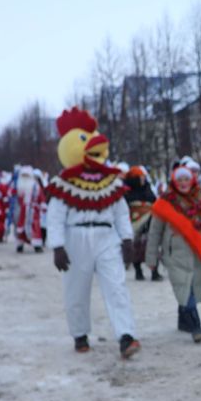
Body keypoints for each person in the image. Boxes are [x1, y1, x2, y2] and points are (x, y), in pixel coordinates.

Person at [46, 107, 140, 358]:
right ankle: (79, 334)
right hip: (75, 239)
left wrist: (127, 239)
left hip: (106, 238)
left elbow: (121, 213)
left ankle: (126, 335)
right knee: (75, 288)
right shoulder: (64, 184)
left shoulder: (111, 181)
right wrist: (57, 246)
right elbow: (54, 217)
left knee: (116, 286)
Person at [145, 167, 201, 343]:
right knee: (184, 288)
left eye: (186, 179)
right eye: (179, 180)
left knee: (192, 288)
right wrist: (151, 259)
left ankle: (183, 321)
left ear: (192, 181)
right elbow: (154, 232)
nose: (183, 183)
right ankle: (196, 326)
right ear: (174, 182)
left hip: (197, 253)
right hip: (174, 256)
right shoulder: (164, 203)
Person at [124, 165, 162, 281]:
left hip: (150, 221)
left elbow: (154, 201)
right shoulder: (127, 192)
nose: (143, 179)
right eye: (140, 177)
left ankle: (154, 271)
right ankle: (138, 270)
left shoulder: (147, 188)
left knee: (152, 245)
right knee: (137, 246)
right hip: (135, 223)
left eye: (143, 177)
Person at [15, 166, 46, 253]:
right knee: (21, 228)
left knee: (35, 228)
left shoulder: (36, 186)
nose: (25, 178)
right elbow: (17, 198)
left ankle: (37, 246)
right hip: (23, 211)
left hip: (33, 211)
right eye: (23, 176)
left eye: (27, 176)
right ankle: (20, 245)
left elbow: (41, 196)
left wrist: (43, 205)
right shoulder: (19, 186)